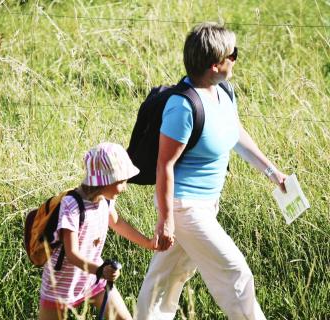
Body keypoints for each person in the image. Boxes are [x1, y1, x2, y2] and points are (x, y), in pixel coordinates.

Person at [136, 23, 287, 320]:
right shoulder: (182, 107)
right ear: (215, 64)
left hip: (206, 204)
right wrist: (166, 221)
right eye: (234, 54)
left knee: (165, 280)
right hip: (184, 207)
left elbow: (234, 132)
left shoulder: (223, 91)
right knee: (235, 273)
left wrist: (273, 172)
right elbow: (164, 165)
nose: (236, 59)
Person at [39, 142, 155, 320]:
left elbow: (117, 223)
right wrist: (100, 270)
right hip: (60, 286)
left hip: (93, 280)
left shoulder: (106, 200)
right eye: (121, 181)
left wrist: (148, 243)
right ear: (105, 179)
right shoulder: (72, 204)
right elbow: (72, 254)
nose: (125, 187)